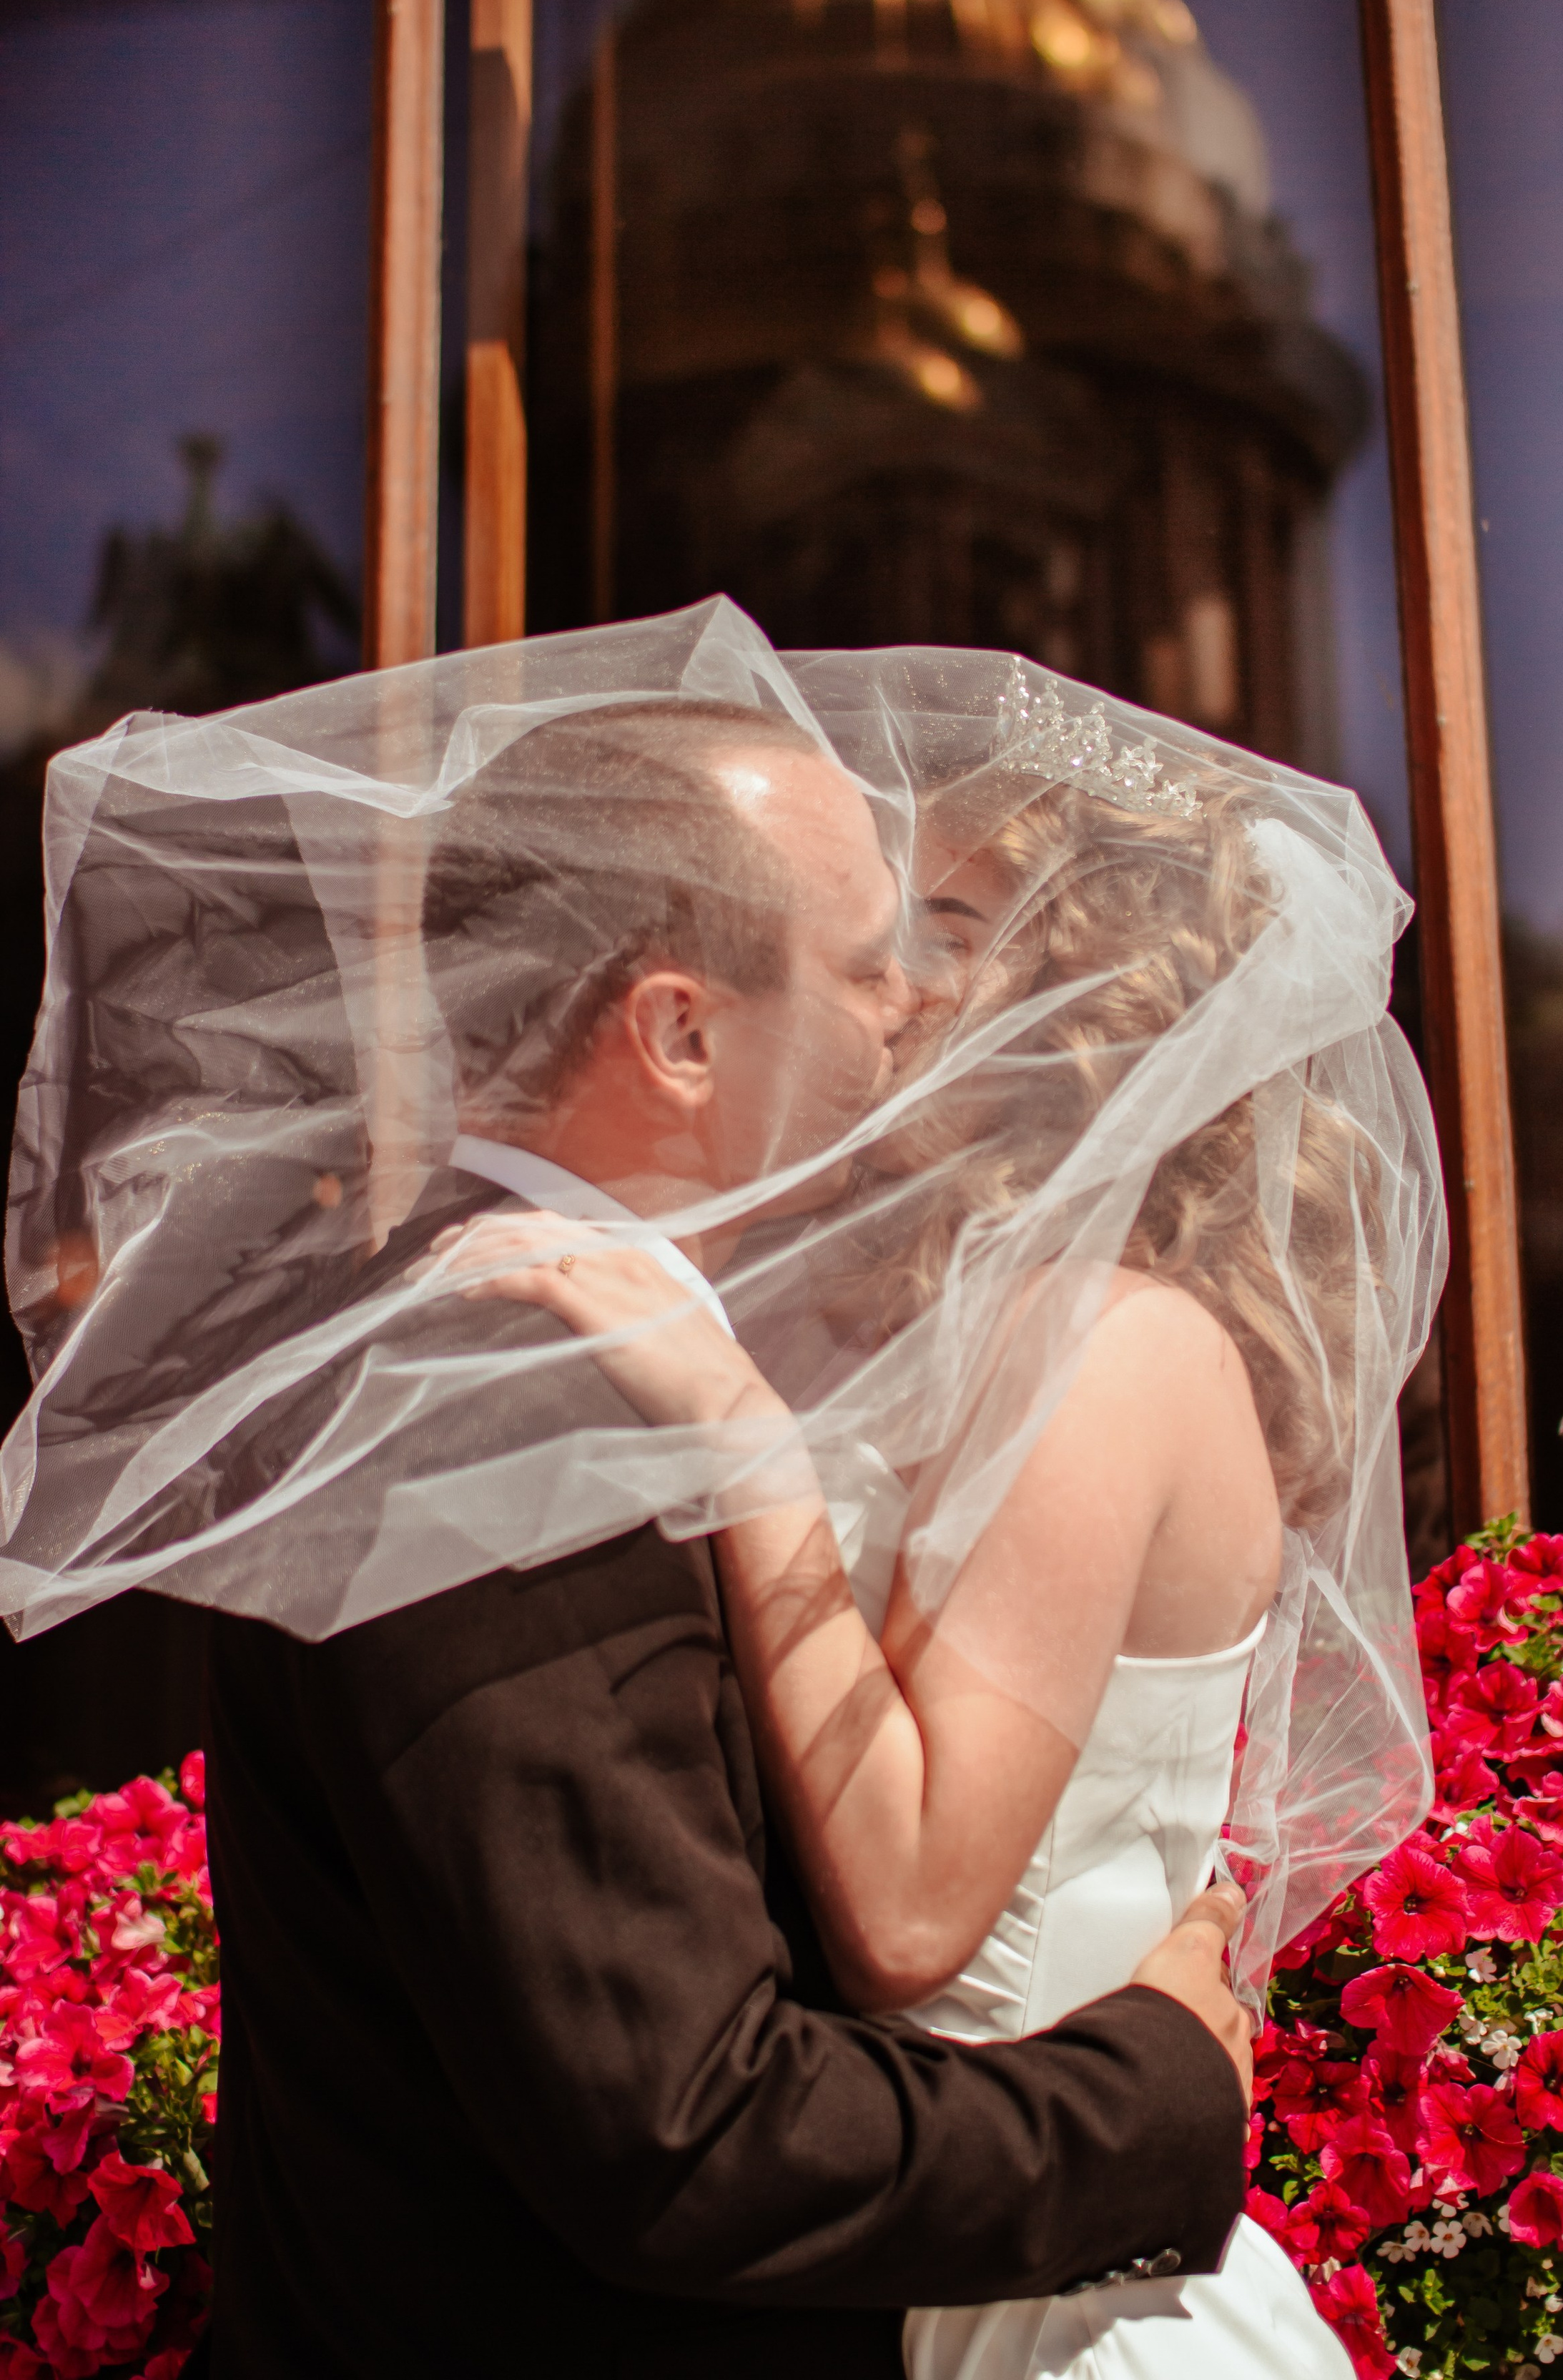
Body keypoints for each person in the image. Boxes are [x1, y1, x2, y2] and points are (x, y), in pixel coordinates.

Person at [1, 647, 1253, 2380]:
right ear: (677, 1030)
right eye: (868, 963)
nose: (911, 1012)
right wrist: (1161, 2097)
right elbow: (687, 2135)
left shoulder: (561, 1350)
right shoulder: (502, 1411)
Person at [447, 735, 1439, 2380]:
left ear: (1090, 989)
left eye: (953, 927)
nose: (897, 985)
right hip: (917, 2250)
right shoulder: (946, 1328)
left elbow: (911, 1910)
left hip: (1050, 2306)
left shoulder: (1106, 1344)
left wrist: (747, 1442)